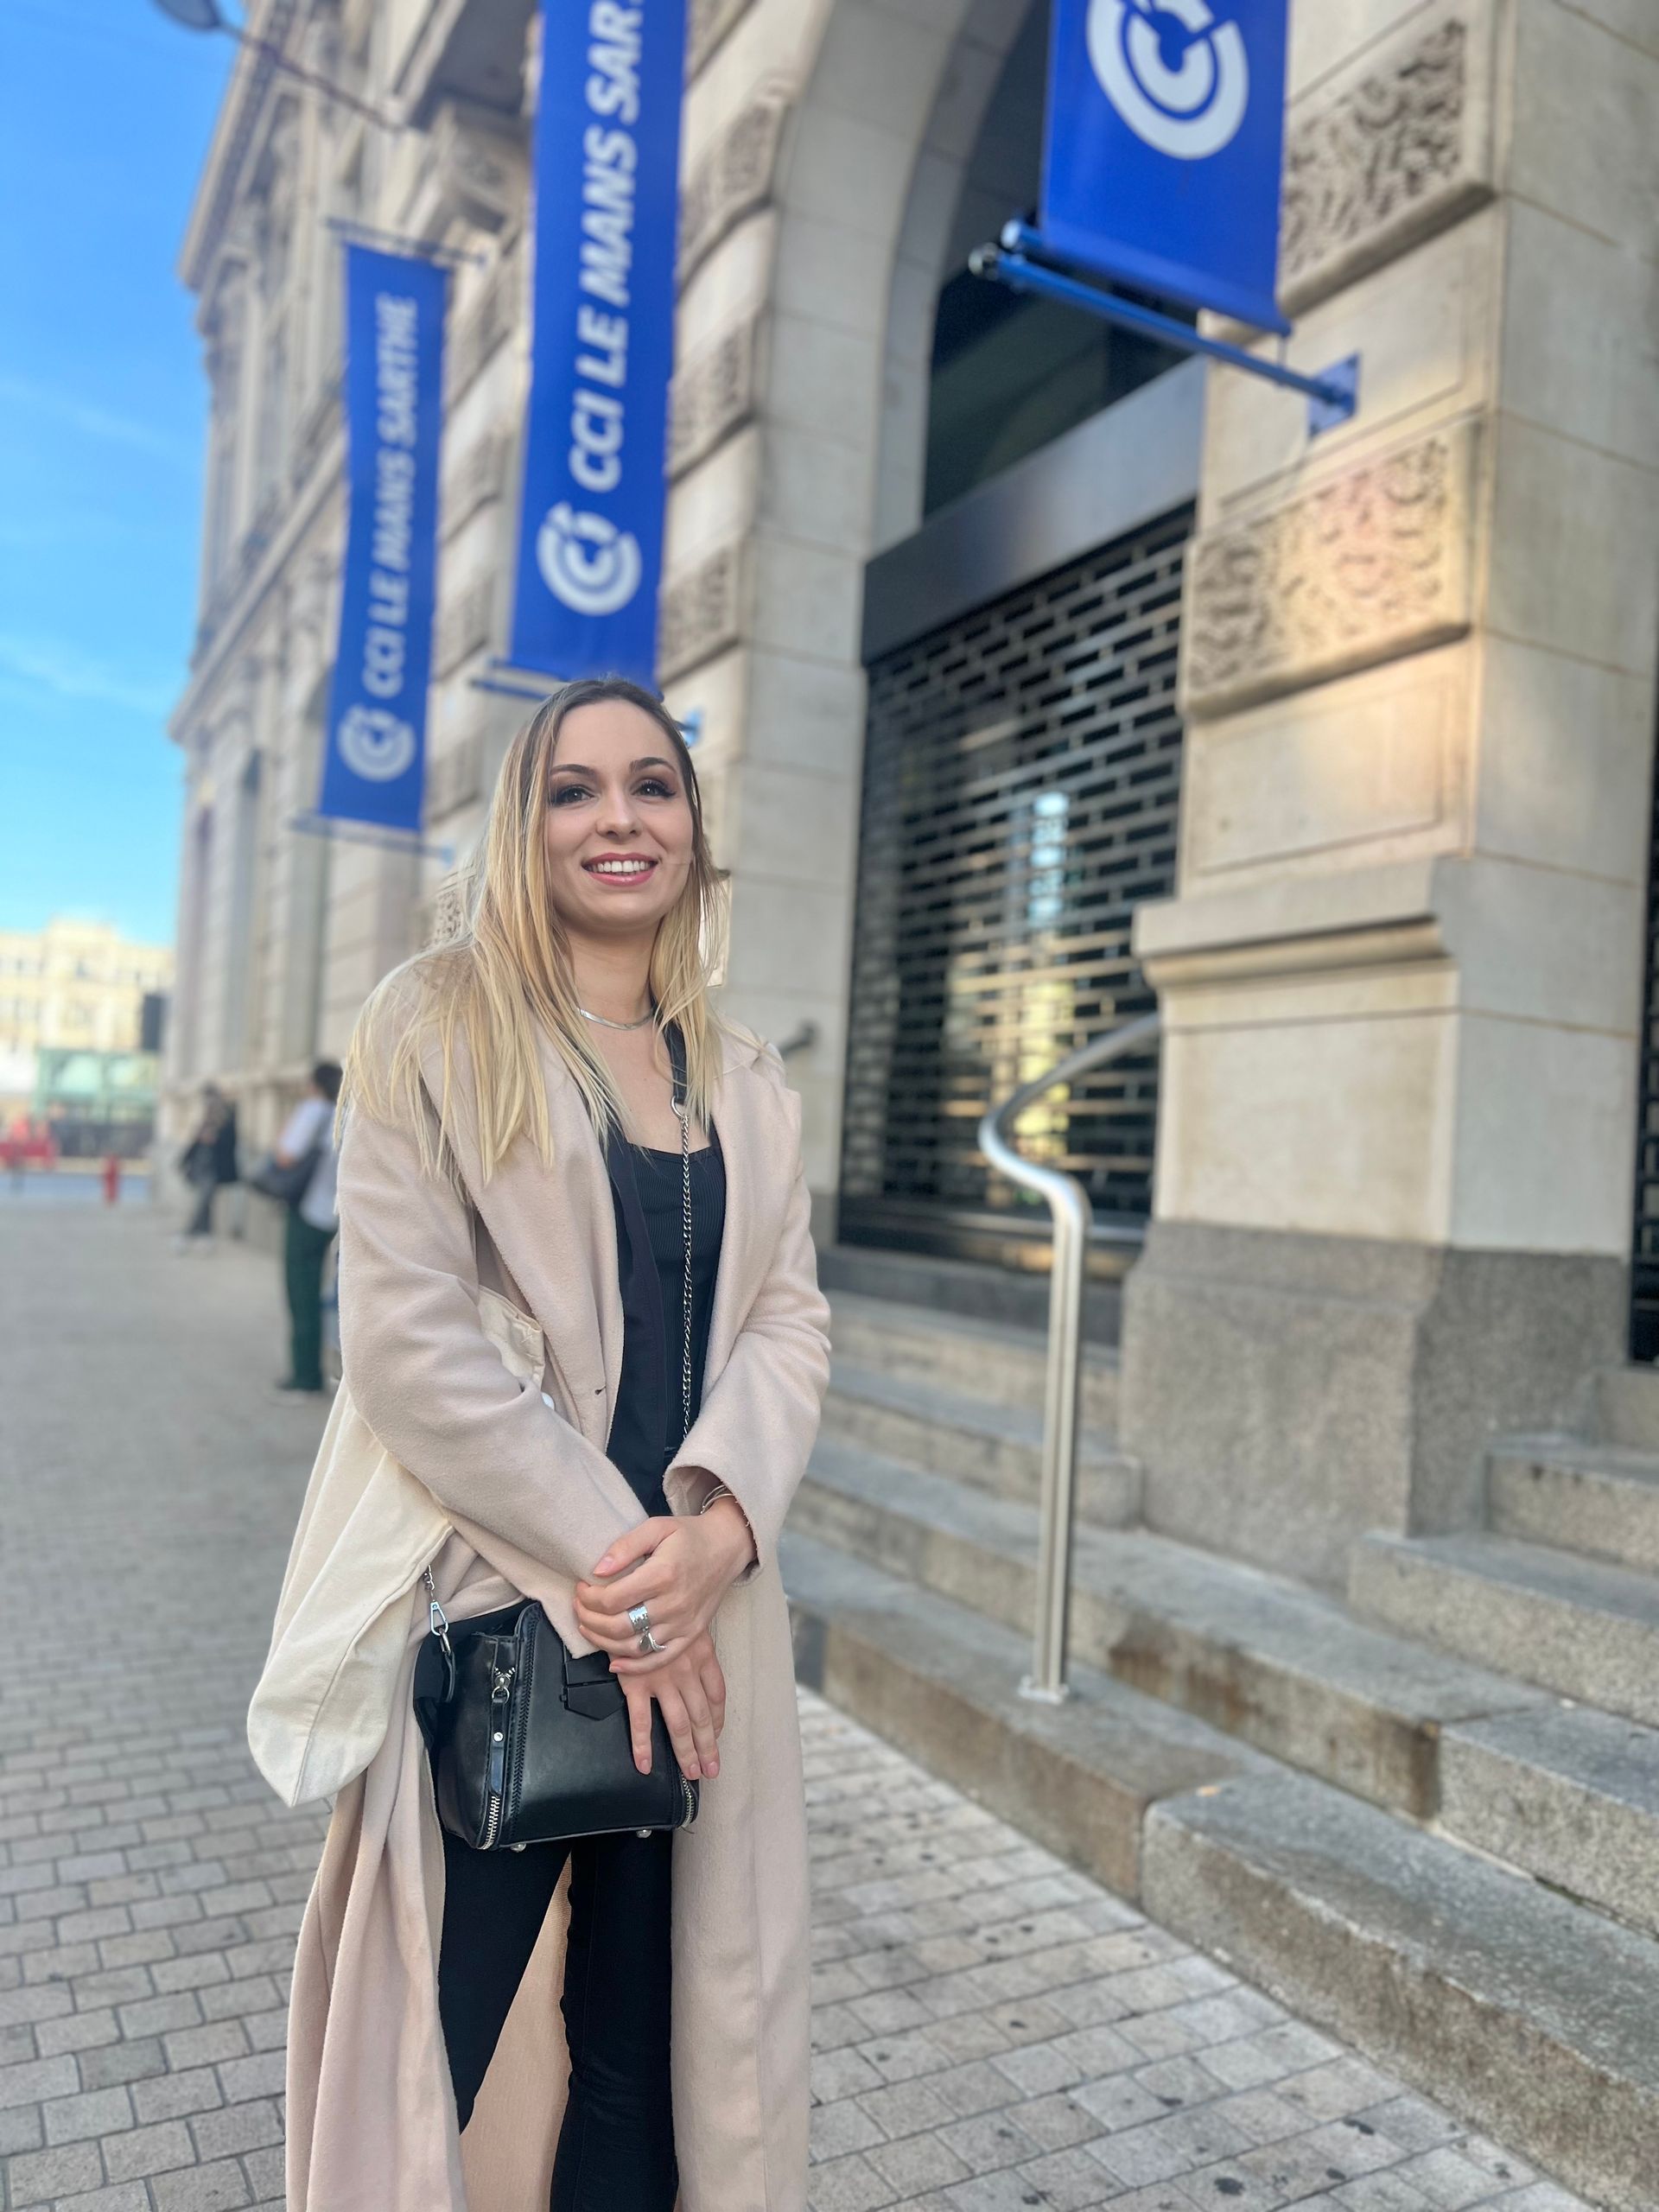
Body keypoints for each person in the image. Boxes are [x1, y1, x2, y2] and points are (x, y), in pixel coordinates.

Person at [270, 676, 831, 2212]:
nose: (618, 818)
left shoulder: (748, 1075)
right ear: (527, 827)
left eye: (652, 785)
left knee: (650, 2065)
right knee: (434, 2050)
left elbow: (791, 1322)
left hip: (700, 1642)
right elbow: (406, 1347)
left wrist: (714, 1535)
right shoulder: (435, 1024)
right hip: (514, 1613)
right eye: (573, 789)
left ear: (694, 828)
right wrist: (622, 1568)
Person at [270, 1062, 341, 1397]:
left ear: (314, 1085)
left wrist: (282, 1132)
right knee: (314, 1291)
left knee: (300, 1293)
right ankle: (312, 1369)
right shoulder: (345, 1113)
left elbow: (286, 1156)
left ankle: (304, 1375)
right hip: (331, 1215)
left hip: (306, 1213)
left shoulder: (313, 1110)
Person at [174, 1085, 238, 1249]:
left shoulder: (226, 1119)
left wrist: (214, 1139)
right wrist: (183, 1161)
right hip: (199, 1168)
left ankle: (187, 1234)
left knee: (203, 1202)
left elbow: (231, 1144)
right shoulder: (204, 1119)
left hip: (214, 1170)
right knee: (206, 1203)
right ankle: (206, 1236)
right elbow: (194, 1144)